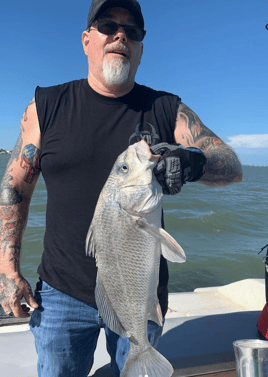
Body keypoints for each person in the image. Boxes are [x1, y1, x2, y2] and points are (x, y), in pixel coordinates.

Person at [0, 0, 242, 375]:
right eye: (108, 25)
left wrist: (194, 162)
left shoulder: (165, 108)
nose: (120, 35)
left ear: (141, 48)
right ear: (86, 40)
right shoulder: (46, 105)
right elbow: (14, 187)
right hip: (60, 294)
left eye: (133, 31)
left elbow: (231, 164)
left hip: (140, 293)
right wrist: (7, 267)